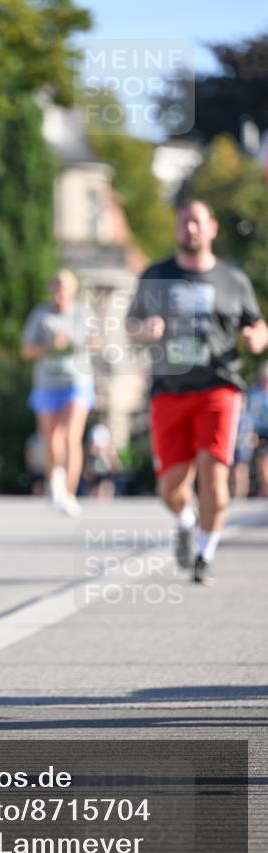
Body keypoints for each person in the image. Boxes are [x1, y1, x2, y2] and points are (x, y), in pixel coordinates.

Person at [126, 199, 267, 584]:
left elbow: (258, 324)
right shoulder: (156, 275)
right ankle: (187, 521)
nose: (191, 229)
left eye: (197, 223)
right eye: (185, 222)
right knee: (170, 487)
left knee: (214, 479)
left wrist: (256, 337)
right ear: (176, 227)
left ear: (212, 228)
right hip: (169, 389)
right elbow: (131, 324)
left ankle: (205, 554)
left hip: (219, 387)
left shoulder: (232, 280)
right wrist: (145, 330)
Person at [21, 269, 96, 517]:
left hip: (77, 381)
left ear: (72, 291)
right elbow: (26, 351)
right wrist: (49, 346)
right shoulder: (41, 315)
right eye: (56, 288)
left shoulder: (83, 313)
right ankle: (55, 480)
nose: (60, 294)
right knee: (51, 439)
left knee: (71, 436)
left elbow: (97, 340)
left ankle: (70, 493)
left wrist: (75, 341)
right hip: (47, 383)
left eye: (64, 288)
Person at [246, 360, 268, 496]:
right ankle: (265, 490)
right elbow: (250, 414)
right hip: (260, 432)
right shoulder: (255, 392)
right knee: (262, 463)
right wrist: (251, 432)